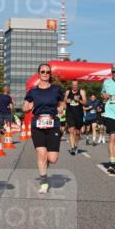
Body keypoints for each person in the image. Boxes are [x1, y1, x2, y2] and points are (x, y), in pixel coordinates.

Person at [23, 64, 66, 194]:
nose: (45, 73)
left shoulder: (56, 90)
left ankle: (44, 166)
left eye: (48, 72)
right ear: (39, 74)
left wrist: (61, 108)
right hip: (37, 125)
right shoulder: (33, 91)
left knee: (52, 158)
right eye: (43, 71)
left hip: (53, 124)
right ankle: (44, 181)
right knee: (41, 153)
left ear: (50, 74)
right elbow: (24, 107)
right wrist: (28, 107)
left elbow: (62, 102)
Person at [63, 80, 86, 155]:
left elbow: (85, 102)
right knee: (71, 130)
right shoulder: (68, 92)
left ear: (78, 85)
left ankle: (76, 146)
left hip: (79, 114)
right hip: (70, 114)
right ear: (71, 85)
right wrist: (67, 100)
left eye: (76, 85)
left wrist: (78, 100)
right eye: (73, 85)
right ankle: (72, 148)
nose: (74, 86)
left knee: (78, 132)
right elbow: (64, 100)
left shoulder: (82, 92)